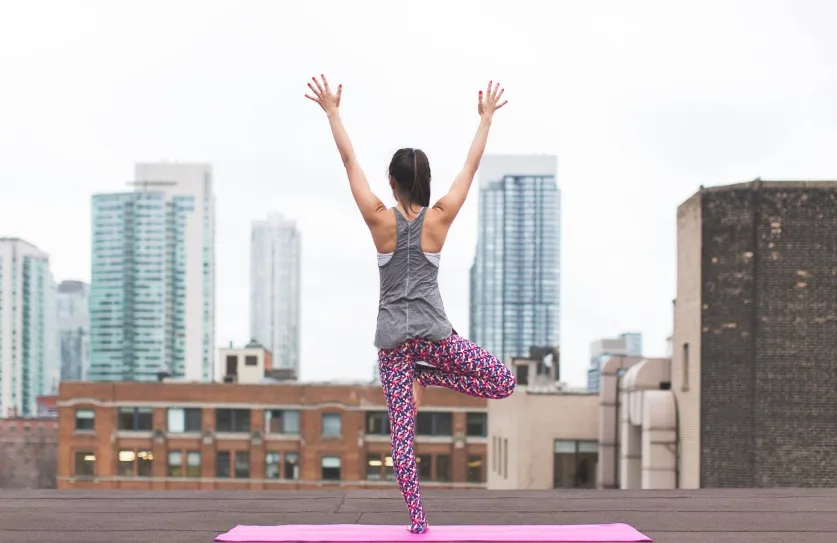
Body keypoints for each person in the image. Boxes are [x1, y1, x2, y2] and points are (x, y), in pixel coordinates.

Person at [305, 74, 516, 534]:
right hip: (435, 339)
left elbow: (348, 162)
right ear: (425, 183)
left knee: (401, 440)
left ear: (393, 182)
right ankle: (431, 378)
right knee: (504, 383)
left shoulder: (379, 220)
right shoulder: (439, 218)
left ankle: (418, 525)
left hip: (395, 349)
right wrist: (485, 120)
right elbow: (470, 168)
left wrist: (333, 113)